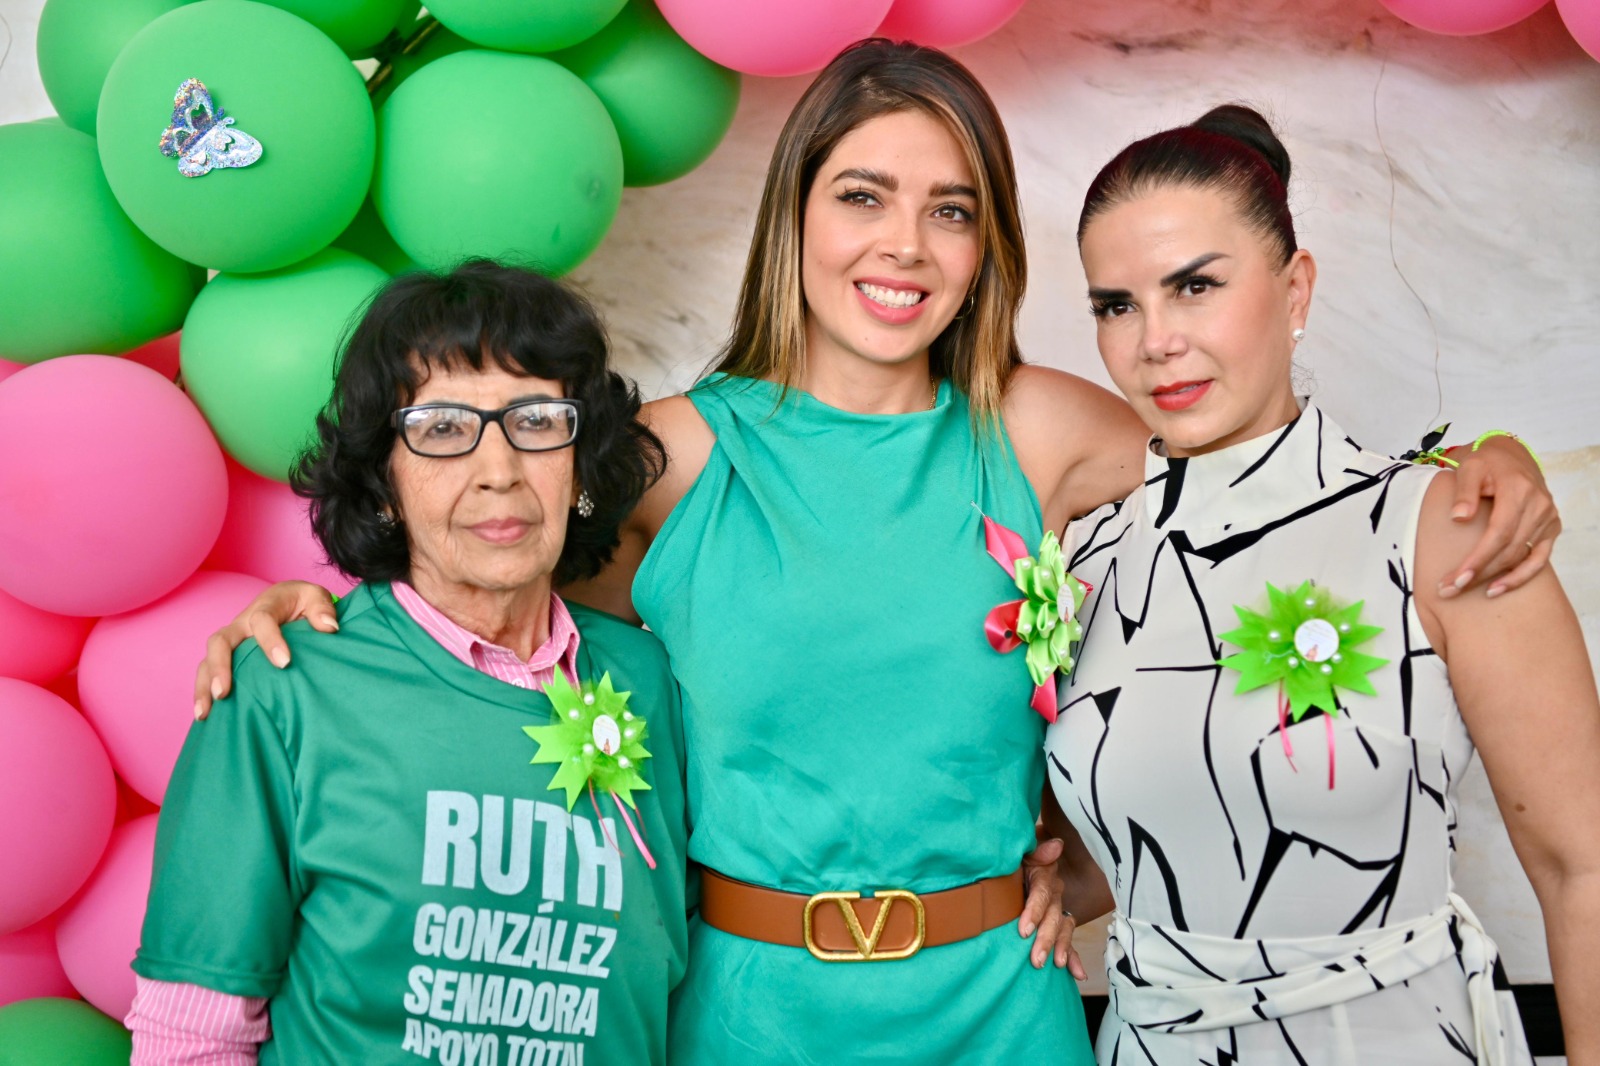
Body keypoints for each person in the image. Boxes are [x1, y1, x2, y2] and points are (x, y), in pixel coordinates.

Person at [192, 44, 1558, 1062]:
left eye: (951, 208)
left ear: (987, 243)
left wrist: (1482, 466)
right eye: (863, 196)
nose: (905, 244)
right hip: (745, 1012)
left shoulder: (1046, 432)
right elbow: (493, 612)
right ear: (795, 211)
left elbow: (1274, 485)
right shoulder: (672, 458)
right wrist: (322, 617)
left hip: (1003, 1005)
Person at [1043, 105, 1600, 1065]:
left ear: (1296, 288)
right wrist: (1041, 887)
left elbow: (1580, 866)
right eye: (1116, 305)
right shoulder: (1083, 566)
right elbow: (1142, 837)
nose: (1155, 340)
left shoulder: (1447, 526)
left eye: (1196, 286)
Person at [129, 262, 689, 1063]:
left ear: (580, 467)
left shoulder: (650, 682)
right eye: (443, 429)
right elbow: (191, 1037)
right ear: (384, 482)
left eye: (536, 421)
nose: (499, 471)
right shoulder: (285, 688)